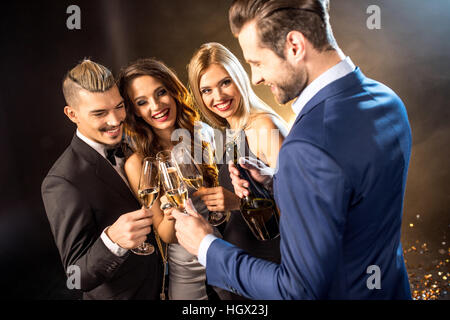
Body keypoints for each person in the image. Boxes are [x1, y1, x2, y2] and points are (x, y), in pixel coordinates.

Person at [170, 0, 412, 299]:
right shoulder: (386, 99)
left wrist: (206, 245)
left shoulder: (306, 144)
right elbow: (350, 199)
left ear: (295, 45)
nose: (256, 78)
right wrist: (278, 182)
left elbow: (298, 290)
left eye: (257, 62)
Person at [41, 59, 163, 300]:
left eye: (119, 106)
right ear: (72, 114)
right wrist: (112, 241)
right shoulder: (62, 181)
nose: (115, 120)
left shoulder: (134, 143)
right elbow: (76, 277)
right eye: (99, 113)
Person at [187, 42, 287, 299]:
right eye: (206, 90)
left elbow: (298, 212)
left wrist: (236, 204)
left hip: (267, 274)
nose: (217, 97)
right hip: (240, 275)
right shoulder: (233, 130)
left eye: (225, 82)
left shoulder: (263, 126)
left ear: (240, 77)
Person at [117, 58, 221, 300]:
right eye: (142, 102)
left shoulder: (203, 133)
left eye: (161, 92)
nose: (156, 106)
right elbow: (165, 235)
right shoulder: (138, 164)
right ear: (135, 111)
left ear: (173, 91)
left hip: (226, 254)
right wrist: (171, 209)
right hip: (188, 272)